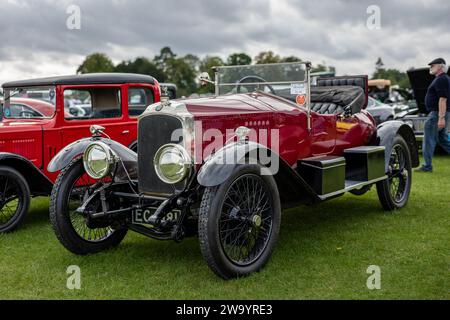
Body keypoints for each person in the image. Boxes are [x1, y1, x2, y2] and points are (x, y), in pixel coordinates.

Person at [416, 58, 450, 172]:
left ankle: (427, 166)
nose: (430, 67)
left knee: (428, 139)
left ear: (440, 66)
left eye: (433, 65)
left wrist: (441, 118)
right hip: (439, 113)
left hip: (437, 114)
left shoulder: (442, 79)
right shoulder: (442, 79)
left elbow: (443, 99)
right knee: (443, 139)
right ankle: (427, 165)